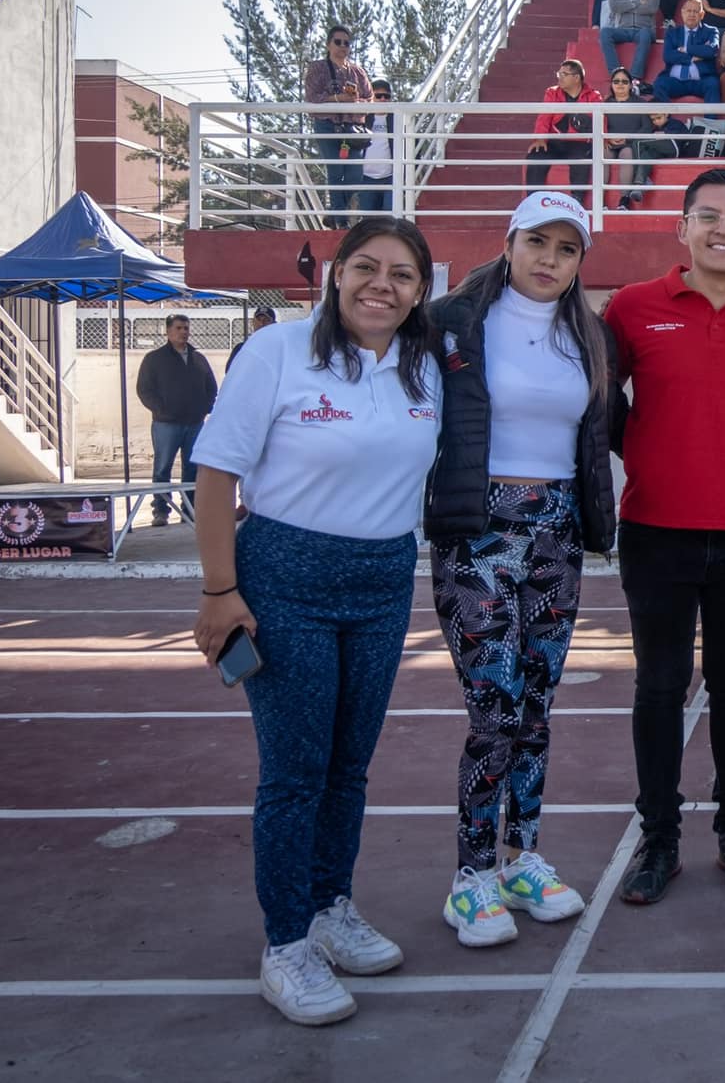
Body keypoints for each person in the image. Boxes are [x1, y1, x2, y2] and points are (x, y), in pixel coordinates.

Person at [188, 217, 441, 1026]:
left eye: (403, 275)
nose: (383, 285)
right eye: (367, 267)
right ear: (336, 274)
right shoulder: (276, 353)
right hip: (286, 574)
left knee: (350, 764)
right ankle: (286, 943)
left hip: (383, 576)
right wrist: (219, 591)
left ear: (421, 292)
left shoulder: (425, 366)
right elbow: (216, 474)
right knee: (295, 770)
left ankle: (332, 907)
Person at [604, 170, 725, 905]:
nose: (724, 229)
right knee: (658, 686)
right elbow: (596, 398)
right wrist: (646, 449)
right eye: (707, 217)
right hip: (655, 530)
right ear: (681, 229)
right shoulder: (631, 308)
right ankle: (659, 839)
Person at [425, 193, 613, 944]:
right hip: (478, 532)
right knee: (493, 707)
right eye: (537, 241)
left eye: (567, 250)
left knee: (536, 706)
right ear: (509, 243)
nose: (549, 260)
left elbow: (607, 433)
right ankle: (470, 875)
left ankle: (521, 856)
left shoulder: (590, 337)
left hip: (557, 536)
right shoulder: (450, 324)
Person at [137, 312, 218, 527]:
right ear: (168, 331)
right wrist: (161, 409)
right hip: (166, 424)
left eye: (186, 328)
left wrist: (205, 407)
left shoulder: (198, 358)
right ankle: (161, 511)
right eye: (179, 328)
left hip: (195, 423)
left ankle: (189, 510)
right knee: (162, 468)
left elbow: (211, 386)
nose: (183, 332)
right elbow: (144, 389)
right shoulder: (154, 359)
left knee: (192, 469)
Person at [303, 26, 374, 227]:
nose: (343, 46)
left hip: (352, 130)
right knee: (335, 172)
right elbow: (312, 98)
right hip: (327, 126)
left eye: (347, 43)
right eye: (338, 42)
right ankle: (341, 221)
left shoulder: (357, 72)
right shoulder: (318, 68)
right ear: (328, 44)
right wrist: (337, 99)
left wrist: (355, 103)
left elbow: (370, 98)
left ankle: (335, 213)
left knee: (354, 175)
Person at [526, 59, 598, 196]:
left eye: (564, 74)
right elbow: (544, 117)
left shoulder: (594, 96)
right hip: (554, 140)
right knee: (536, 155)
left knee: (582, 160)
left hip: (579, 142)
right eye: (559, 74)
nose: (559, 77)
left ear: (576, 78)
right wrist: (540, 139)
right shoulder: (552, 92)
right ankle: (533, 200)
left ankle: (577, 201)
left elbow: (600, 121)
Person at [600, 0, 661, 83]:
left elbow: (652, 8)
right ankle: (616, 73)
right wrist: (638, 1)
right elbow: (615, 7)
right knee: (605, 32)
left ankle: (634, 78)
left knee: (645, 34)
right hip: (622, 28)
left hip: (644, 29)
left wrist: (625, 6)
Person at [601, 68, 655, 211]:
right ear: (611, 84)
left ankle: (624, 200)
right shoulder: (604, 105)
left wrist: (627, 138)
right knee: (604, 154)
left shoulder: (641, 104)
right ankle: (600, 201)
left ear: (631, 85)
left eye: (624, 82)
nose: (620, 84)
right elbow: (600, 126)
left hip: (630, 144)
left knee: (627, 154)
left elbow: (647, 127)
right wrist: (607, 138)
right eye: (616, 81)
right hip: (609, 143)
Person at [657, 0, 723, 105]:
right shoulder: (672, 33)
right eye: (688, 11)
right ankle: (666, 121)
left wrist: (686, 49)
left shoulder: (711, 31)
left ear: (702, 15)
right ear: (682, 13)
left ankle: (710, 122)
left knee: (713, 84)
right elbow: (668, 56)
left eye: (695, 11)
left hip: (701, 80)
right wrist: (692, 57)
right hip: (675, 81)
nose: (692, 14)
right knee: (660, 84)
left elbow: (711, 51)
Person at [356, 79, 397, 215]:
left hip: (391, 177)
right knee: (368, 220)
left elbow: (413, 148)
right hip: (366, 178)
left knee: (390, 217)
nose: (383, 99)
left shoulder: (399, 119)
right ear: (371, 98)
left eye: (387, 96)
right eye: (378, 96)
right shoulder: (362, 119)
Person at [229, 305, 279, 370]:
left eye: (266, 320)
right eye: (258, 320)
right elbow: (230, 371)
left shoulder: (278, 349)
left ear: (274, 324)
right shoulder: (241, 348)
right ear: (253, 322)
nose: (261, 323)